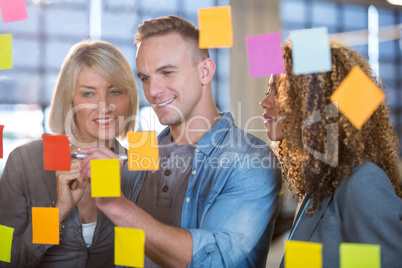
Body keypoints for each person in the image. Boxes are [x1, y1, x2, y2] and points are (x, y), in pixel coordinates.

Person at [79, 15, 281, 267]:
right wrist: (85, 205)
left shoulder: (250, 158)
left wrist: (119, 206)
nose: (153, 91)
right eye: (145, 78)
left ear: (205, 71)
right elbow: (122, 253)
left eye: (167, 72)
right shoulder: (142, 149)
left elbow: (213, 261)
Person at [260, 39, 402, 268]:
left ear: (312, 102)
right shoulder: (318, 185)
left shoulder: (363, 181)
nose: (264, 102)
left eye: (277, 91)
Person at [0, 39, 138, 267]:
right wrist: (57, 212)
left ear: (129, 97)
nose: (105, 107)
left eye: (115, 91)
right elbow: (7, 260)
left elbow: (138, 260)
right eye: (88, 94)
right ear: (69, 100)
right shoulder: (25, 163)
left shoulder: (137, 169)